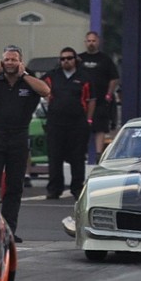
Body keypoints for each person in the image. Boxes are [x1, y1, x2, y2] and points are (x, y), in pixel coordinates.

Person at [0, 45, 51, 243]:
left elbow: (45, 91)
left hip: (19, 136)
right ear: (2, 61)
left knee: (14, 186)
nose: (10, 63)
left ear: (20, 61)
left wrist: (24, 75)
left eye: (13, 59)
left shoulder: (28, 80)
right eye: (6, 59)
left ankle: (8, 230)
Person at [44, 47, 95, 200]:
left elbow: (92, 100)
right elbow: (40, 87)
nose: (66, 61)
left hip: (77, 123)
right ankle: (54, 189)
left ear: (75, 59)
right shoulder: (52, 76)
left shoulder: (84, 77)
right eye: (63, 59)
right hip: (55, 123)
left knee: (77, 157)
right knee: (55, 157)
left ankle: (77, 188)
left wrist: (89, 119)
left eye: (69, 58)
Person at [78, 31, 118, 162]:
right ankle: (80, 152)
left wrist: (109, 94)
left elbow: (114, 78)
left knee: (100, 128)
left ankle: (98, 155)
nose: (91, 43)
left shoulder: (105, 59)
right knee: (81, 127)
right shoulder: (79, 59)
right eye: (89, 41)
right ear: (85, 42)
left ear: (98, 42)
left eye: (93, 41)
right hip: (82, 101)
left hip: (100, 100)